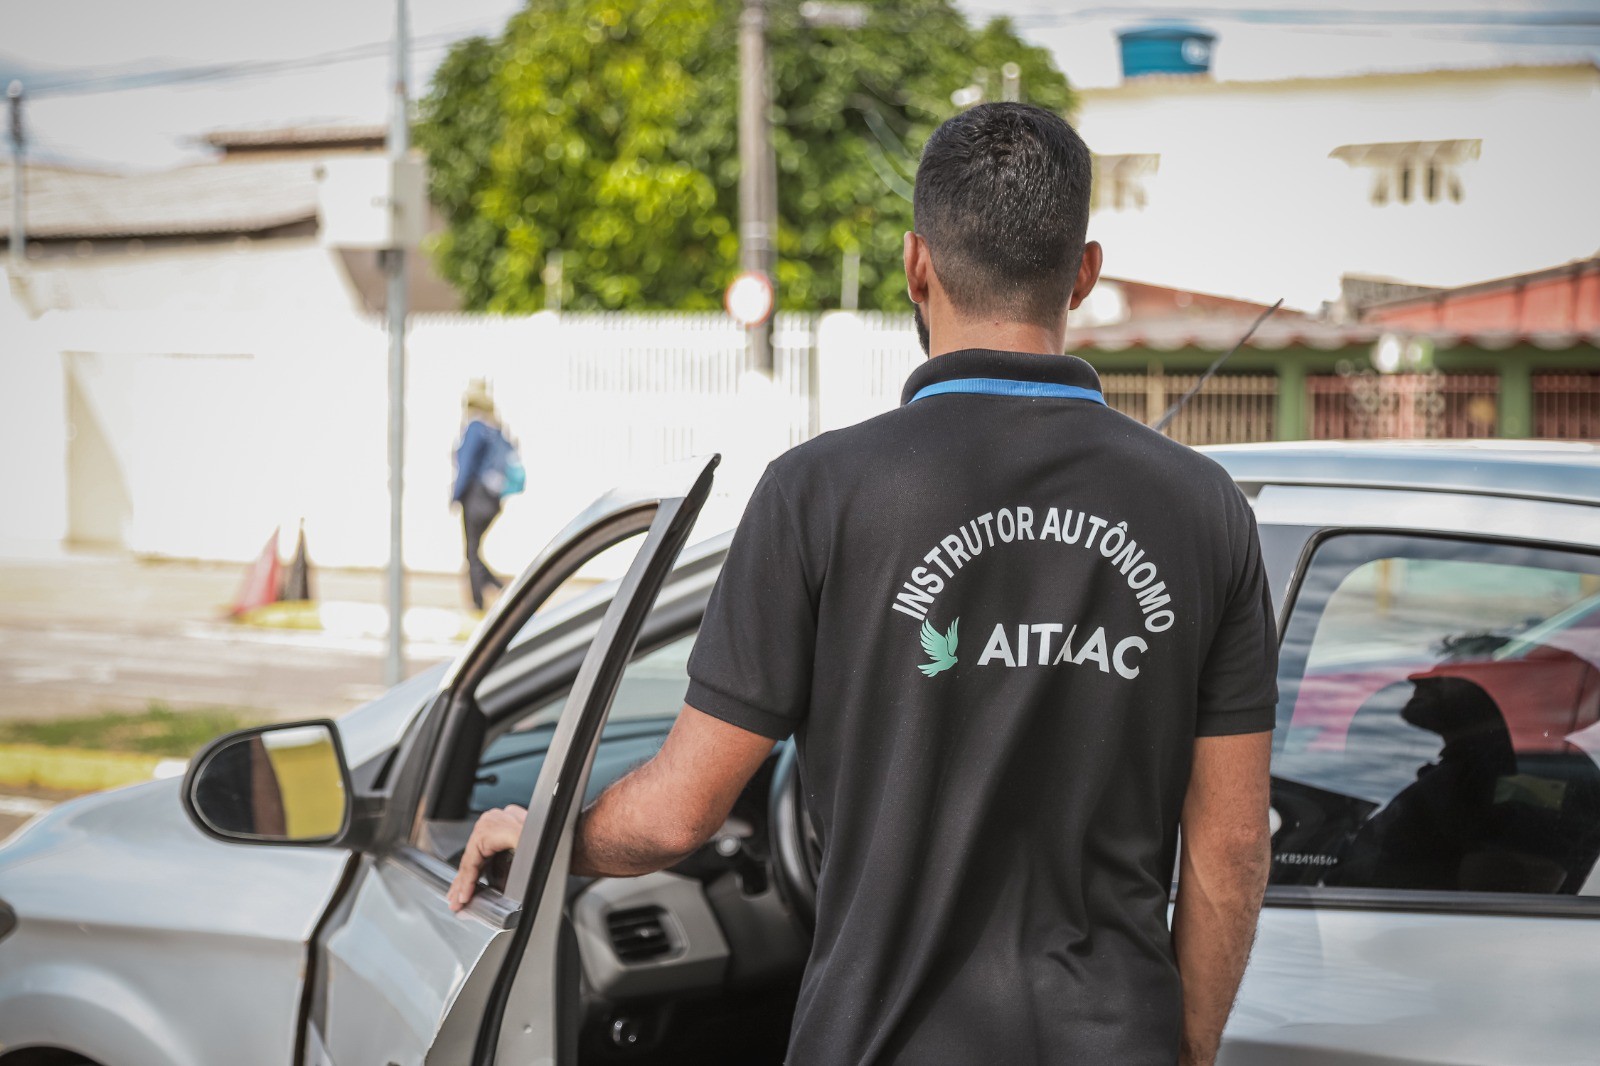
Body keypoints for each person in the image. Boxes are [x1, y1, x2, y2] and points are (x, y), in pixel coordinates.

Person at [450, 103, 1277, 1066]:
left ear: (915, 264)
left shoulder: (821, 492)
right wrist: (1187, 1049)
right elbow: (1230, 851)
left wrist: (546, 836)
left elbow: (680, 811)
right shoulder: (1204, 508)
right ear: (1084, 273)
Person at [451, 380, 510, 611]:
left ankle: (478, 604)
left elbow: (466, 465)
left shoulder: (474, 427)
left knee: (471, 552)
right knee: (475, 551)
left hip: (475, 496)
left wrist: (455, 495)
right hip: (493, 498)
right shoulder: (494, 428)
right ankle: (500, 588)